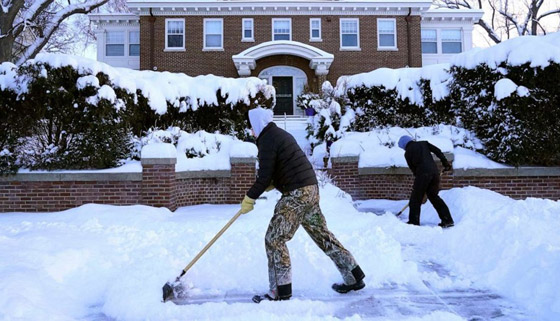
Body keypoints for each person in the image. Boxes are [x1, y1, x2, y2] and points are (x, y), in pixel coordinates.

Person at [240, 107, 365, 303]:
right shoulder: (279, 135)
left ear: (257, 124)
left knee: (274, 238)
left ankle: (280, 291)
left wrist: (249, 198)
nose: (251, 131)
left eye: (251, 127)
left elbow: (264, 176)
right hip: (311, 190)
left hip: (297, 194)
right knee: (322, 235)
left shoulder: (267, 139)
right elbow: (282, 167)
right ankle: (354, 275)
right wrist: (270, 184)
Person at [398, 135, 454, 228]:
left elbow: (413, 169)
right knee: (434, 197)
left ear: (404, 145)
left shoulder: (407, 153)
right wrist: (445, 163)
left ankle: (413, 222)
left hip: (422, 174)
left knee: (415, 199)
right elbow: (438, 151)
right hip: (434, 173)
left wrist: (420, 183)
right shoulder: (424, 143)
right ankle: (447, 220)